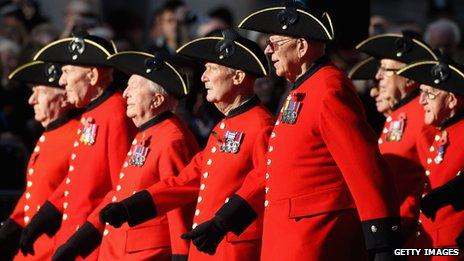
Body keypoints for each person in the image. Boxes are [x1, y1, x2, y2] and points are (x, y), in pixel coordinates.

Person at [183, 1, 402, 260]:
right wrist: (225, 219)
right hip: (288, 237)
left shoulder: (329, 89)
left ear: (301, 46)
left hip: (315, 238)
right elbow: (274, 166)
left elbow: (363, 166)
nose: (267, 50)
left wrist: (382, 240)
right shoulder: (299, 90)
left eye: (275, 43)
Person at [99, 28, 274, 260]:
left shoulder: (261, 124)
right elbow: (186, 180)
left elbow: (265, 181)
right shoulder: (224, 126)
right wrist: (132, 207)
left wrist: (223, 222)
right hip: (208, 247)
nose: (203, 77)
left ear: (238, 77)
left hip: (235, 248)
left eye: (212, 69)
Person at [51, 51, 200, 260]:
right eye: (127, 86)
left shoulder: (172, 138)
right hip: (121, 248)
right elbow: (120, 192)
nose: (125, 94)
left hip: (148, 252)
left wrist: (181, 255)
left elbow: (178, 202)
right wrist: (82, 239)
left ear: (156, 100)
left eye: (134, 87)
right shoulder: (148, 133)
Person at [17, 31, 136, 259]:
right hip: (72, 238)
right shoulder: (92, 112)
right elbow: (78, 178)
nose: (62, 81)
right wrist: (44, 217)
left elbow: (121, 188)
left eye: (67, 72)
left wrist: (84, 239)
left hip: (93, 244)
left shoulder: (116, 113)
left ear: (92, 76)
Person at [353, 31, 438, 243]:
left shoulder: (421, 115)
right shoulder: (401, 114)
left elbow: (433, 179)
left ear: (409, 78)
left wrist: (406, 223)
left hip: (413, 235)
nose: (378, 76)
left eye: (386, 70)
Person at [0, 60, 81, 260]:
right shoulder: (50, 133)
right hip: (34, 246)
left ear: (64, 99)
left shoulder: (77, 136)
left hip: (53, 247)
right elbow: (37, 191)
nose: (32, 100)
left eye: (41, 92)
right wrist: (13, 225)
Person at [397, 57, 464, 258]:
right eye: (421, 92)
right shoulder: (445, 132)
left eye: (429, 94)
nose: (421, 101)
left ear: (451, 99)